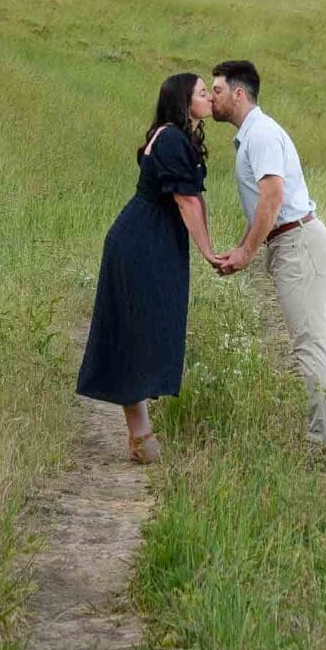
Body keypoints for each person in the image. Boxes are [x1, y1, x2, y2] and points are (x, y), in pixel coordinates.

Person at [209, 60, 326, 462]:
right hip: (299, 240)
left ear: (239, 94)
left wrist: (246, 251)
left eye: (216, 89)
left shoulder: (261, 135)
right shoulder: (256, 135)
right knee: (319, 341)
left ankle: (320, 442)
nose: (212, 97)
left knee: (310, 343)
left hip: (297, 241)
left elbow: (272, 196)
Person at [76, 71, 223, 463]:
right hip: (143, 240)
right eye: (202, 93)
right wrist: (208, 252)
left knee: (145, 326)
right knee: (137, 329)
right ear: (183, 101)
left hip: (153, 239)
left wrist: (207, 243)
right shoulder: (172, 138)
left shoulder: (178, 135)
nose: (209, 97)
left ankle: (140, 436)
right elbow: (185, 202)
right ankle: (140, 436)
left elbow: (196, 197)